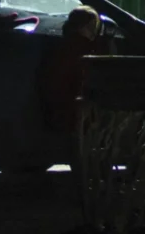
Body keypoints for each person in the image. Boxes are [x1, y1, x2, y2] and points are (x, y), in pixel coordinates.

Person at [35, 7, 106, 144]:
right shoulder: (82, 49)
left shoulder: (61, 46)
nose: (93, 31)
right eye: (91, 27)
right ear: (81, 27)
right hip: (70, 109)